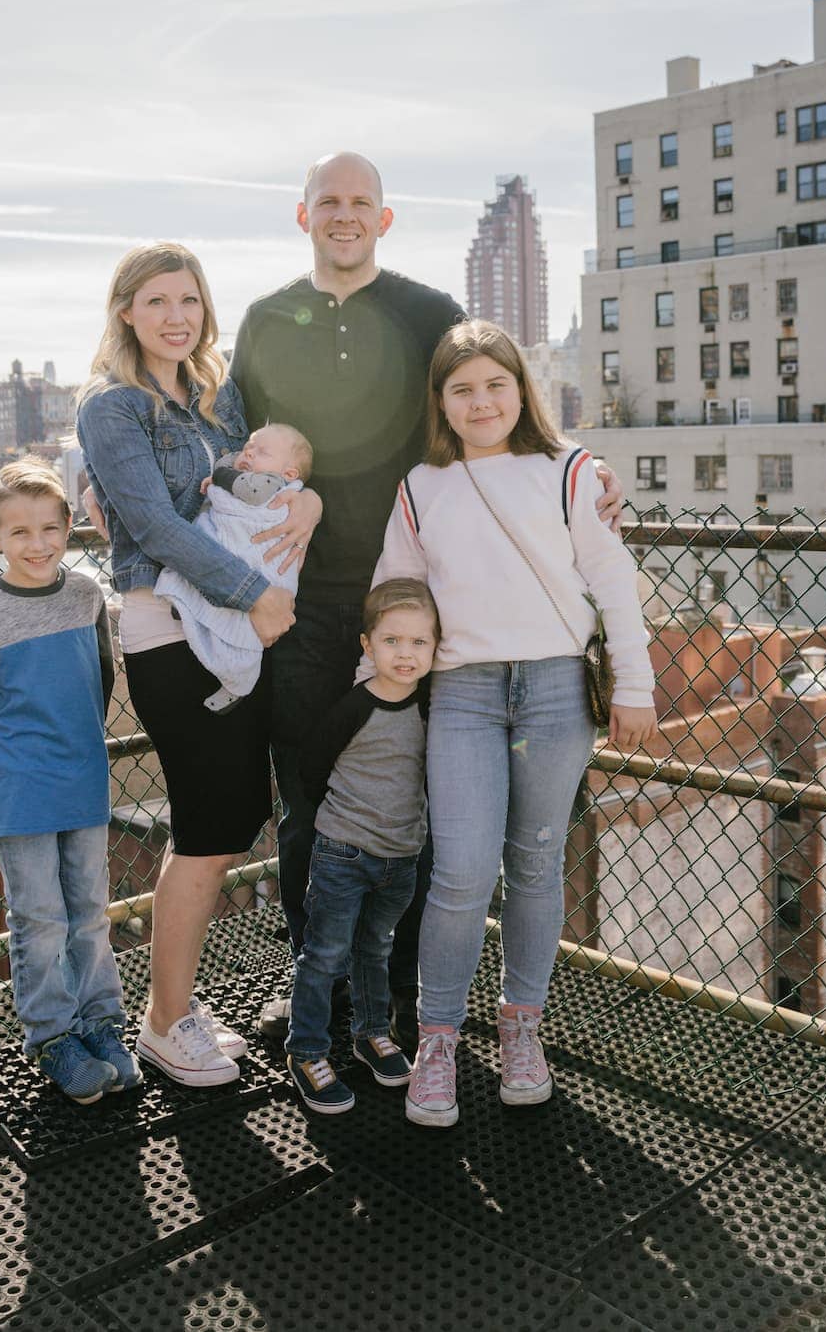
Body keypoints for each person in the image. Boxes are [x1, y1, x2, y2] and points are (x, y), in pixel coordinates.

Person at [229, 151, 626, 1043]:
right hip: (296, 604)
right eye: (327, 201)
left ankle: (400, 994)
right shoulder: (261, 322)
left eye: (360, 202)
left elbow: (495, 408)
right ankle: (317, 990)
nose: (344, 214)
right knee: (307, 802)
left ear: (384, 217)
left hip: (418, 613)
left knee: (423, 810)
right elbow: (226, 442)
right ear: (303, 216)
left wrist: (587, 465)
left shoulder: (429, 313)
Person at [368, 320, 657, 1129]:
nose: (481, 400)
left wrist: (635, 683)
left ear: (520, 388)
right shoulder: (421, 487)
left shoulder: (568, 472)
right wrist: (376, 687)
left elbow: (613, 579)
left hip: (557, 689)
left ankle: (522, 1024)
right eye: (462, 389)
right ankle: (437, 1038)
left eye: (496, 383)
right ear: (442, 402)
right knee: (459, 870)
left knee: (534, 862)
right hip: (461, 691)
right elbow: (396, 595)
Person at [75, 243, 306, 1087]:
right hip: (172, 625)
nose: (178, 316)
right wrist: (258, 591)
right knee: (209, 825)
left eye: (191, 301)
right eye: (159, 300)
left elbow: (256, 481)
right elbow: (156, 529)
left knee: (230, 815)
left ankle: (172, 1005)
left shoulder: (216, 393)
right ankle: (166, 1024)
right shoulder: (112, 407)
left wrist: (305, 501)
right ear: (126, 310)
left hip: (236, 624)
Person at [0, 459, 140, 1104]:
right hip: (21, 789)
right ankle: (52, 1036)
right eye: (21, 532)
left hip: (83, 778)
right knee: (39, 920)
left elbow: (101, 679)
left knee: (88, 913)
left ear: (68, 529)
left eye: (50, 528)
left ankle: (101, 1024)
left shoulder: (87, 596)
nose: (38, 544)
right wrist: (17, 761)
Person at [284, 578, 439, 1115]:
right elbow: (311, 767)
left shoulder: (431, 707)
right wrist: (342, 817)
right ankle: (306, 1050)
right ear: (367, 645)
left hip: (401, 858)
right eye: (392, 641)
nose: (406, 653)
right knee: (324, 954)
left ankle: (371, 1034)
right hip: (343, 854)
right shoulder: (353, 707)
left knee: (375, 947)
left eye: (420, 643)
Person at [154, 423, 314, 714]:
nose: (249, 452)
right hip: (237, 546)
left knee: (240, 631)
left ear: (289, 474)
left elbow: (246, 491)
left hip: (263, 563)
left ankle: (238, 679)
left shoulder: (268, 486)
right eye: (249, 446)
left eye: (261, 451)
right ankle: (195, 613)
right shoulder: (250, 475)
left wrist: (218, 477)